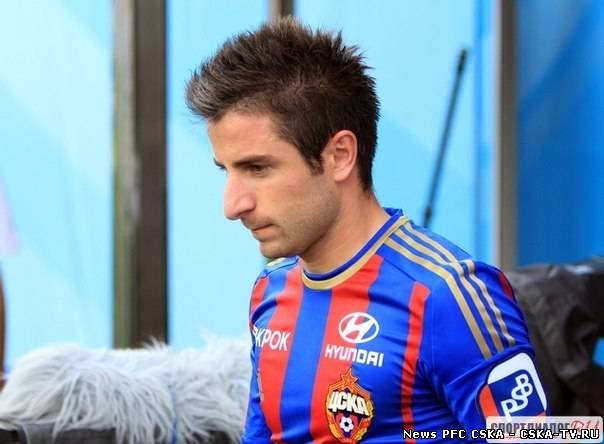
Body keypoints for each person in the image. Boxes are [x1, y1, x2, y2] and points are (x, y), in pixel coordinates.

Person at [186, 18, 547, 444]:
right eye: (226, 171)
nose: (232, 205)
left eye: (257, 168)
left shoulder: (446, 295)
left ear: (340, 155)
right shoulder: (270, 290)